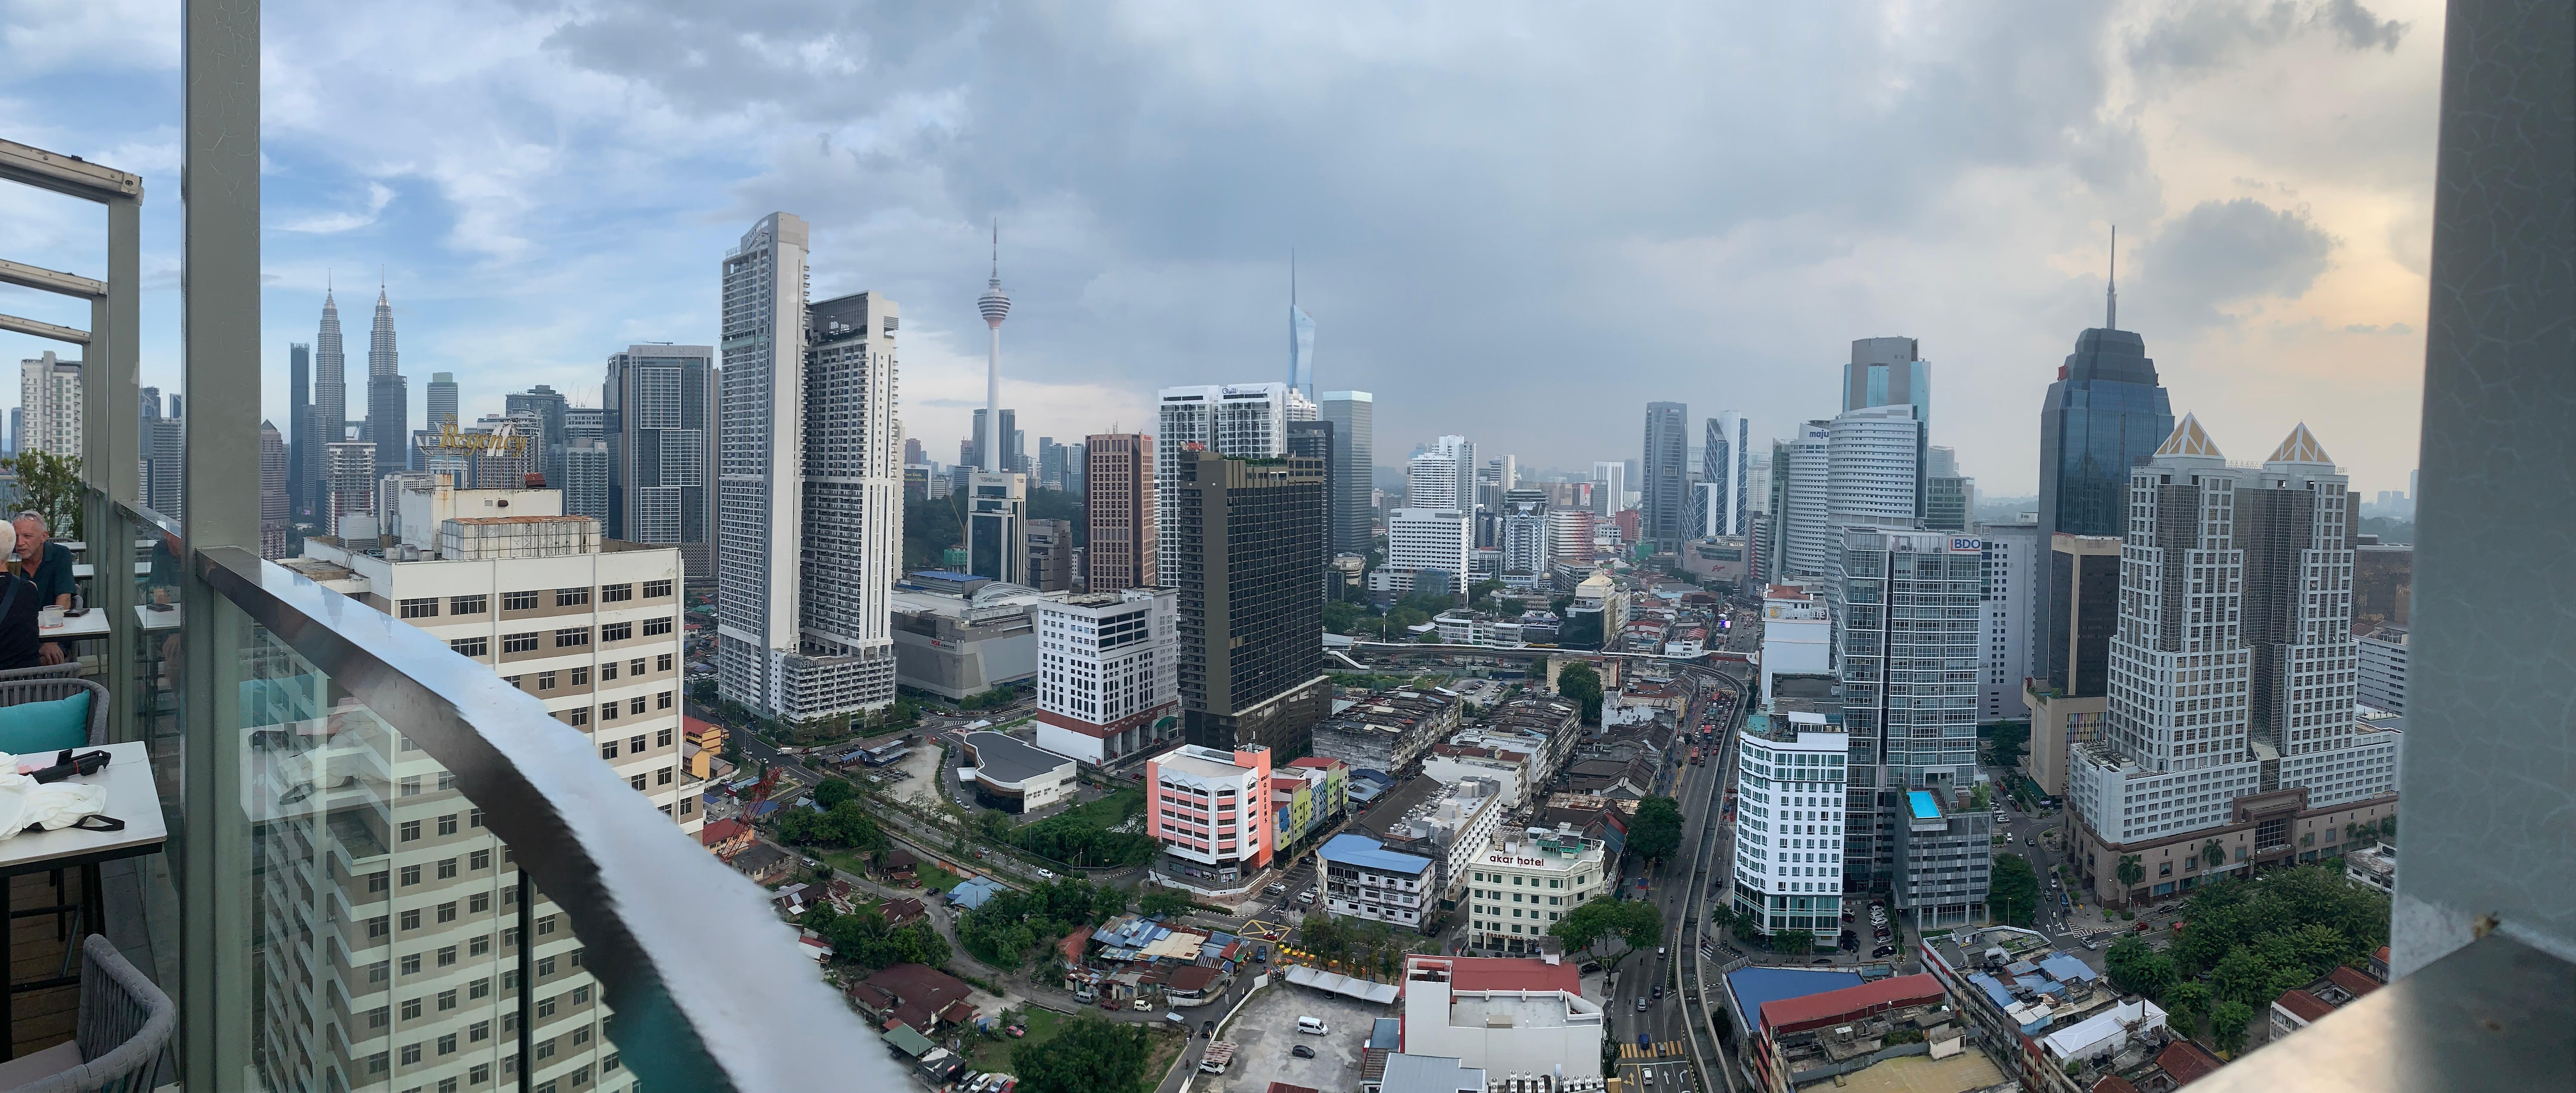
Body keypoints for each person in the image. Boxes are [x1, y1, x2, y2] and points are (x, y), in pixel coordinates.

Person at [12, 513, 74, 666]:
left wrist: (51, 641)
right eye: (15, 536)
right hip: (18, 633)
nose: (20, 543)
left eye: (27, 536)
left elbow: (64, 597)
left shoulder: (60, 554)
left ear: (43, 537)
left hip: (53, 631)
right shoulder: (8, 557)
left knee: (49, 658)